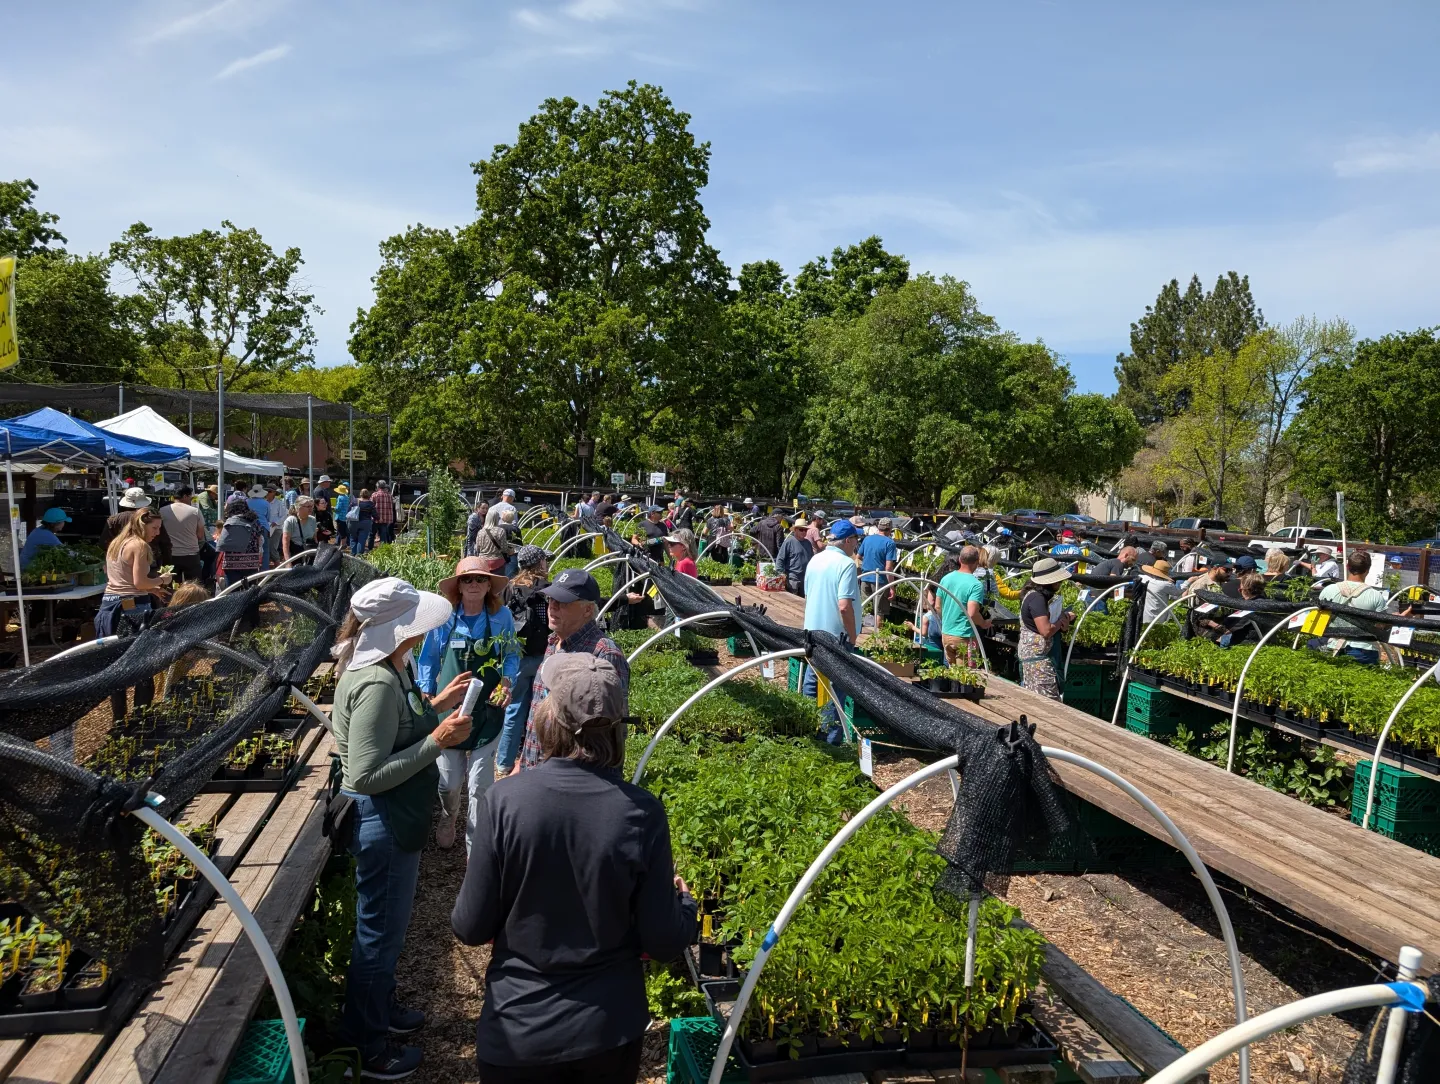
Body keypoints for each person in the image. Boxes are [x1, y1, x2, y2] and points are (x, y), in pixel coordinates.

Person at [453, 652, 696, 1084]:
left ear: (550, 718)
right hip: (606, 1031)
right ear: (620, 728)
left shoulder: (504, 802)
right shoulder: (641, 813)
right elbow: (663, 941)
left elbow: (470, 926)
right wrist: (684, 902)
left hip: (517, 1029)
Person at [331, 577, 474, 1079]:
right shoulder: (375, 683)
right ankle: (368, 1046)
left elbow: (395, 729)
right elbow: (366, 775)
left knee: (386, 932)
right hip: (383, 821)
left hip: (393, 820)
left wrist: (436, 704)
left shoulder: (390, 668)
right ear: (400, 631)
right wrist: (437, 740)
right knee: (378, 937)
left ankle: (380, 1012)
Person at [419, 556, 520, 852]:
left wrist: (506, 680)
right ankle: (449, 817)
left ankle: (474, 845)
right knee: (449, 784)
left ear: (489, 585)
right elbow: (428, 658)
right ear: (458, 587)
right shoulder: (445, 618)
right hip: (451, 709)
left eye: (479, 579)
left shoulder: (501, 617)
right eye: (467, 579)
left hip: (487, 710)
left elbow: (512, 654)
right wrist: (427, 692)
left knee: (479, 784)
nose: (474, 584)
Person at [515, 569, 630, 773]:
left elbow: (611, 732)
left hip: (567, 778)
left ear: (587, 610)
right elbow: (537, 711)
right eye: (551, 599)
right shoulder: (554, 642)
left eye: (563, 602)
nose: (553, 607)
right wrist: (522, 763)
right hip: (535, 769)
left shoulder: (603, 654)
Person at [98, 510, 173, 720]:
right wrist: (161, 581)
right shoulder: (139, 545)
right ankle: (141, 719)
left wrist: (150, 590)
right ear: (141, 525)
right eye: (154, 528)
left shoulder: (116, 543)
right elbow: (139, 582)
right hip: (131, 610)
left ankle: (119, 719)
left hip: (109, 606)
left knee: (116, 665)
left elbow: (124, 581)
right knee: (144, 664)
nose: (157, 533)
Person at [802, 519, 861, 744]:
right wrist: (853, 634)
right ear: (847, 540)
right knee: (835, 692)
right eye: (855, 540)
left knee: (812, 684)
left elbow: (808, 595)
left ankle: (809, 731)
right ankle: (830, 741)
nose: (856, 545)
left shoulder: (815, 560)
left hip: (813, 632)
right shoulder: (846, 564)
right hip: (836, 636)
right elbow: (844, 605)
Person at [499, 546, 550, 776]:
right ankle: (536, 762)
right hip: (543, 657)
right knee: (541, 712)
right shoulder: (548, 589)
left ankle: (503, 762)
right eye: (544, 561)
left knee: (514, 711)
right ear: (539, 563)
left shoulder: (509, 588)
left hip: (516, 657)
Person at [1316, 549, 1390, 663]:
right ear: (1368, 569)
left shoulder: (1328, 590)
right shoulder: (1376, 596)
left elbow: (1319, 619)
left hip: (1332, 645)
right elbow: (1381, 625)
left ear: (1347, 566)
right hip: (1364, 650)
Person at [1016, 557, 1072, 700]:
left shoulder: (1033, 595)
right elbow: (1046, 631)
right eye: (1058, 580)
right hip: (1038, 664)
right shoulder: (1037, 599)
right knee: (1048, 704)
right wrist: (1060, 621)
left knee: (1035, 701)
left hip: (1035, 660)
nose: (1060, 583)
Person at [937, 544, 992, 667]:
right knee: (965, 677)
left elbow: (937, 606)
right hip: (965, 637)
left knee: (952, 674)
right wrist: (983, 623)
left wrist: (947, 622)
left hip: (946, 634)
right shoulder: (975, 585)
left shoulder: (946, 578)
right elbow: (971, 614)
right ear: (977, 562)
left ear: (960, 560)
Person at [159, 487, 207, 583]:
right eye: (191, 498)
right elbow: (200, 536)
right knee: (194, 587)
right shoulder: (195, 511)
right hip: (191, 554)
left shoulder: (162, 511)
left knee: (170, 585)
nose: (191, 500)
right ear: (185, 496)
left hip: (170, 554)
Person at [216, 495, 265, 588]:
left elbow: (223, 542)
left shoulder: (228, 521)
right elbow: (260, 540)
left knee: (232, 591)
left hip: (231, 563)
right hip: (251, 562)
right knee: (251, 591)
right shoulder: (255, 521)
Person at [857, 517, 899, 625]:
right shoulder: (890, 543)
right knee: (879, 611)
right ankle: (877, 637)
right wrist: (891, 587)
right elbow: (888, 567)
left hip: (865, 577)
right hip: (880, 580)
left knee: (865, 607)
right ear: (890, 529)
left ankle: (860, 632)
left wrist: (869, 562)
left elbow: (858, 556)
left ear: (878, 527)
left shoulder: (867, 539)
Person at [775, 517, 813, 595]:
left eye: (805, 530)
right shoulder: (789, 542)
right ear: (795, 530)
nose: (804, 532)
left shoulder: (808, 543)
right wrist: (780, 575)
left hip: (805, 578)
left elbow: (812, 559)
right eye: (801, 529)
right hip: (792, 577)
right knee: (793, 601)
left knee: (803, 602)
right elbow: (780, 558)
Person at [905, 584, 945, 654]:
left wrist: (912, 627)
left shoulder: (927, 617)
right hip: (942, 646)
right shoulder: (942, 614)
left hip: (932, 646)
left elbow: (923, 633)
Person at [1139, 558, 1181, 624]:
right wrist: (1188, 582)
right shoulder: (1165, 584)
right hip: (1157, 618)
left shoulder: (1143, 578)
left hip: (1143, 615)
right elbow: (1178, 592)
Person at [281, 496, 319, 561]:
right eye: (308, 506)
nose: (310, 508)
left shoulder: (312, 520)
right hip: (295, 557)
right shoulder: (290, 521)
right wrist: (288, 563)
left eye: (312, 506)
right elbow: (285, 545)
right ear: (298, 507)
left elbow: (315, 539)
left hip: (309, 557)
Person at [265, 483, 288, 563]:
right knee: (266, 547)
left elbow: (284, 515)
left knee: (272, 548)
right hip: (266, 528)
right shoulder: (264, 502)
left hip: (276, 529)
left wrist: (276, 523)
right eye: (266, 491)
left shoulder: (279, 503)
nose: (267, 492)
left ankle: (277, 566)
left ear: (274, 493)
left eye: (270, 491)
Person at [350, 488, 376, 556]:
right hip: (365, 522)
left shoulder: (355, 501)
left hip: (354, 522)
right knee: (362, 539)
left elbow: (349, 510)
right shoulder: (370, 503)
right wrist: (378, 518)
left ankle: (353, 553)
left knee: (353, 538)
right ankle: (359, 555)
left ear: (360, 494)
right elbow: (374, 514)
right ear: (368, 495)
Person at [373, 479, 396, 545]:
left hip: (376, 518)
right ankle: (383, 549)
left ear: (378, 486)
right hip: (385, 519)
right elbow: (391, 505)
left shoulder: (374, 494)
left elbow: (371, 506)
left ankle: (370, 548)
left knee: (372, 534)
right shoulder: (389, 496)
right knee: (384, 534)